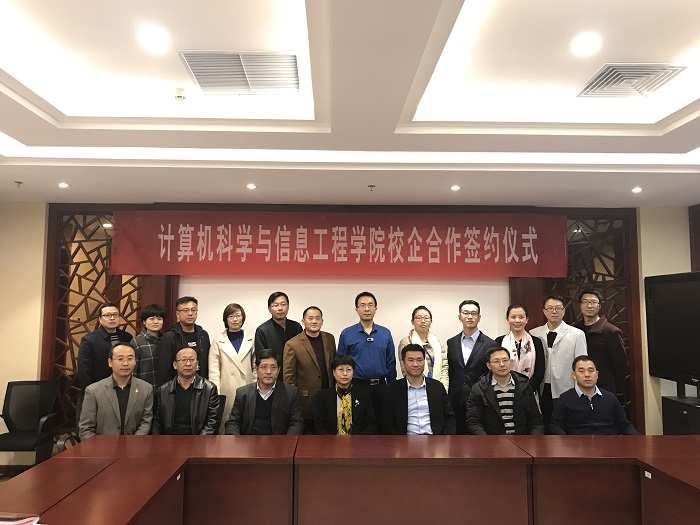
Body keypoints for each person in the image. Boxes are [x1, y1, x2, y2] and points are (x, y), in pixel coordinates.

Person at [337, 291, 396, 433]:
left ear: (376, 308)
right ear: (356, 309)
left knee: (383, 425)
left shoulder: (385, 333)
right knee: (359, 426)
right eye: (362, 305)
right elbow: (341, 362)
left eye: (370, 305)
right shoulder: (347, 334)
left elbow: (391, 362)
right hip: (357, 387)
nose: (367, 309)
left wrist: (391, 388)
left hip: (381, 387)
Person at [530, 293, 587, 430]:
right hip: (542, 388)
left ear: (563, 311)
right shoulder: (534, 333)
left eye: (558, 308)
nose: (554, 311)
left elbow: (582, 364)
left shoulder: (577, 334)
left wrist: (580, 390)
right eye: (550, 308)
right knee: (543, 424)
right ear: (544, 311)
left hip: (566, 387)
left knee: (564, 425)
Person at [79, 344, 152, 439]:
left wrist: (134, 443)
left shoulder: (146, 389)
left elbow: (146, 422)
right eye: (120, 359)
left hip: (135, 445)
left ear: (135, 361)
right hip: (103, 446)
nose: (125, 363)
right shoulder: (93, 391)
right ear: (110, 362)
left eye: (130, 359)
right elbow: (85, 429)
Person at [550, 356, 638, 435]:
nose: (587, 375)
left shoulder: (610, 398)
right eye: (581, 371)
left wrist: (638, 439)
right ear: (574, 375)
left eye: (591, 371)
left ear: (597, 374)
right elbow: (555, 426)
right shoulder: (565, 399)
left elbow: (624, 425)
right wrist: (566, 441)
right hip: (577, 445)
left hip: (607, 444)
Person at [466, 346, 544, 435]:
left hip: (521, 440)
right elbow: (473, 421)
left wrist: (533, 440)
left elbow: (535, 420)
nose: (502, 364)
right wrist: (486, 440)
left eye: (505, 360)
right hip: (492, 440)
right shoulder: (479, 389)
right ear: (488, 365)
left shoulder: (524, 386)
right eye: (496, 361)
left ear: (510, 362)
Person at [225, 348, 304, 435]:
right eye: (264, 367)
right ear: (257, 369)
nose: (268, 372)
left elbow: (296, 423)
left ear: (279, 370)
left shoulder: (290, 393)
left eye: (273, 367)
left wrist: (288, 441)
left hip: (279, 442)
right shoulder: (243, 393)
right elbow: (233, 423)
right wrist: (237, 441)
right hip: (249, 442)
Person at [283, 306, 337, 433]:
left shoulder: (329, 339)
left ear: (322, 321)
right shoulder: (292, 344)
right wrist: (293, 402)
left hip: (328, 397)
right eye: (310, 318)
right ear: (303, 321)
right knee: (308, 438)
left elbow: (334, 366)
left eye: (318, 318)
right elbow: (288, 377)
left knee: (328, 436)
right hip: (305, 401)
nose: (314, 321)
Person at [446, 300, 496, 434]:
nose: (470, 317)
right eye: (466, 313)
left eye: (474, 313)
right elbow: (451, 371)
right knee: (457, 440)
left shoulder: (490, 344)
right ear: (459, 317)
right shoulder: (451, 343)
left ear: (479, 317)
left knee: (479, 439)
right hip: (456, 400)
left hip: (481, 400)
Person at [383, 344, 455, 435]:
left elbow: (450, 418)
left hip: (435, 439)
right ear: (403, 363)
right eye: (410, 360)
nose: (415, 364)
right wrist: (398, 441)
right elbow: (387, 421)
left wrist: (445, 439)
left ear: (424, 362)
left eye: (419, 360)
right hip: (405, 440)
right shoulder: (393, 389)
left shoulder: (437, 387)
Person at [573, 289, 629, 402]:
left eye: (593, 302)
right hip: (578, 388)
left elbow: (620, 365)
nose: (589, 305)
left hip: (604, 388)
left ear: (599, 306)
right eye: (585, 302)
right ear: (580, 305)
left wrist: (615, 388)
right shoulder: (574, 330)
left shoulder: (611, 331)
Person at [208, 302, 255, 432]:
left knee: (247, 423)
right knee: (227, 424)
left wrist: (256, 385)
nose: (235, 319)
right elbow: (214, 370)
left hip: (248, 386)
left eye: (238, 316)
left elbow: (255, 366)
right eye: (231, 316)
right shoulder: (218, 341)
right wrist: (216, 394)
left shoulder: (251, 339)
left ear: (243, 318)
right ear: (226, 319)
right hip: (226, 389)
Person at [152, 347, 220, 435]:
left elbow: (213, 422)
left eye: (192, 360)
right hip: (169, 440)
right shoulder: (163, 391)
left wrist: (199, 441)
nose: (188, 364)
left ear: (197, 364)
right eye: (183, 360)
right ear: (175, 365)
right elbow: (156, 424)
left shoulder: (209, 389)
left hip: (199, 440)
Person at [314, 355, 376, 435]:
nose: (345, 373)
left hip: (358, 441)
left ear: (353, 372)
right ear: (333, 372)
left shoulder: (363, 394)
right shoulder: (323, 396)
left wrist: (358, 440)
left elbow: (371, 424)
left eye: (348, 370)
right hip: (331, 441)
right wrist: (331, 441)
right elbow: (319, 427)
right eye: (341, 369)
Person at [156, 296, 211, 385]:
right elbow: (164, 370)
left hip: (201, 386)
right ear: (177, 314)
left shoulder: (203, 335)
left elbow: (207, 364)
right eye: (185, 310)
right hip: (177, 387)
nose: (190, 314)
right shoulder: (169, 337)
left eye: (193, 310)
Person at [78, 303, 133, 391]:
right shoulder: (89, 340)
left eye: (115, 315)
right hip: (99, 389)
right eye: (107, 315)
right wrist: (89, 391)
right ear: (100, 319)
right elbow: (84, 370)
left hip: (125, 387)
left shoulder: (127, 337)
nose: (112, 318)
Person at [495, 303, 545, 394]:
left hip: (529, 391)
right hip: (504, 390)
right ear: (507, 319)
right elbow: (496, 367)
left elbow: (540, 370)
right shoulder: (499, 341)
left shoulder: (536, 342)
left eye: (521, 317)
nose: (517, 320)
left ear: (527, 320)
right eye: (513, 317)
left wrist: (527, 389)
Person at [397, 305, 448, 391]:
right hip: (415, 389)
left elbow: (444, 368)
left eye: (426, 318)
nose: (423, 321)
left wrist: (443, 389)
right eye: (419, 318)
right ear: (412, 321)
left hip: (438, 388)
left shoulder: (437, 342)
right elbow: (405, 369)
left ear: (431, 321)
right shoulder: (406, 342)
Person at [254, 292, 303, 376]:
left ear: (288, 306)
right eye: (276, 305)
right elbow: (261, 358)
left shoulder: (296, 327)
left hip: (295, 374)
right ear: (269, 308)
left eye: (283, 304)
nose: (280, 308)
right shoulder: (262, 330)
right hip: (273, 375)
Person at [130, 303, 165, 388]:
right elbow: (132, 372)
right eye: (151, 319)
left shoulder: (166, 340)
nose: (156, 322)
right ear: (144, 321)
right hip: (144, 389)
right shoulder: (136, 342)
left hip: (164, 390)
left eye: (159, 319)